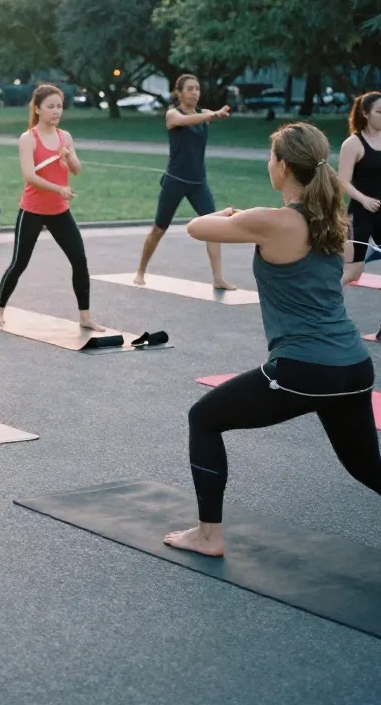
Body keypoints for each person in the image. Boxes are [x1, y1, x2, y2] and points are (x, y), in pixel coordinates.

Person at [163, 122, 381, 558]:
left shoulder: (273, 221)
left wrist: (226, 214)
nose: (269, 164)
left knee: (204, 417)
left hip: (305, 368)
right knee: (366, 467)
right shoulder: (331, 220)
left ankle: (209, 535)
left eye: (270, 158)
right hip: (354, 365)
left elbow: (196, 227)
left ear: (282, 166)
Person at [0, 84, 105, 331]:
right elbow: (29, 177)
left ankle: (85, 317)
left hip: (59, 211)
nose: (56, 111)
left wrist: (68, 156)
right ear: (38, 109)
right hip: (32, 209)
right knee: (19, 263)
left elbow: (76, 170)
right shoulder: (28, 138)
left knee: (80, 260)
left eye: (59, 107)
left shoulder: (65, 137)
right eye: (50, 106)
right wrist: (59, 189)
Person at [134, 74, 235, 289]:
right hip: (175, 181)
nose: (195, 93)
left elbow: (213, 117)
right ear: (178, 93)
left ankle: (218, 278)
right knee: (159, 228)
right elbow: (183, 121)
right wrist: (212, 115)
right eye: (189, 89)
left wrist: (220, 113)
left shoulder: (204, 114)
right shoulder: (173, 114)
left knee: (213, 226)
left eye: (197, 89)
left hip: (198, 182)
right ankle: (140, 271)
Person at [337, 91, 381, 286]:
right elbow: (343, 181)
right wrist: (364, 199)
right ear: (365, 113)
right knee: (353, 272)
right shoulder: (353, 144)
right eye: (380, 112)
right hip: (361, 214)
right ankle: (320, 303)